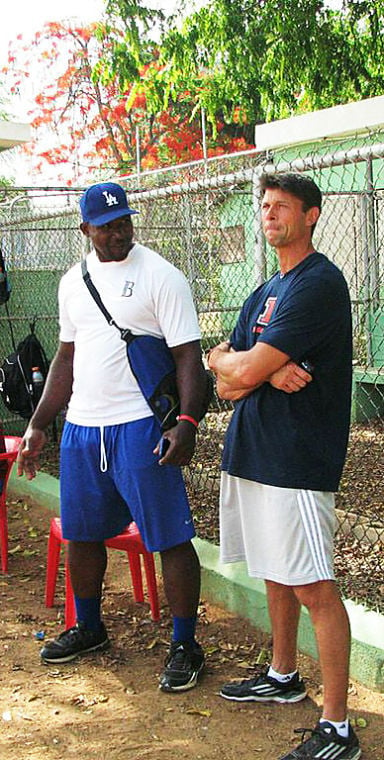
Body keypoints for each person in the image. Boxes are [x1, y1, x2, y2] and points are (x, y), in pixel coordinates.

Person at [17, 181, 207, 693]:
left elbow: (189, 356)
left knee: (169, 535)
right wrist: (38, 423)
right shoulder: (71, 283)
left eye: (124, 221)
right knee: (82, 533)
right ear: (86, 230)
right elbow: (66, 357)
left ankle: (185, 642)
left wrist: (186, 423)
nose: (119, 232)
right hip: (83, 428)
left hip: (141, 427)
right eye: (106, 226)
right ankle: (90, 627)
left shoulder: (161, 276)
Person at [208, 173, 361, 760]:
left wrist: (247, 369)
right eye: (265, 206)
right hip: (253, 452)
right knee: (276, 570)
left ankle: (337, 726)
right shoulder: (265, 290)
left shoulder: (319, 284)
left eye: (283, 207)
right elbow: (222, 369)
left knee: (313, 585)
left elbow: (235, 371)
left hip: (297, 460)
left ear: (312, 214)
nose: (270, 214)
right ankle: (282, 674)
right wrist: (265, 369)